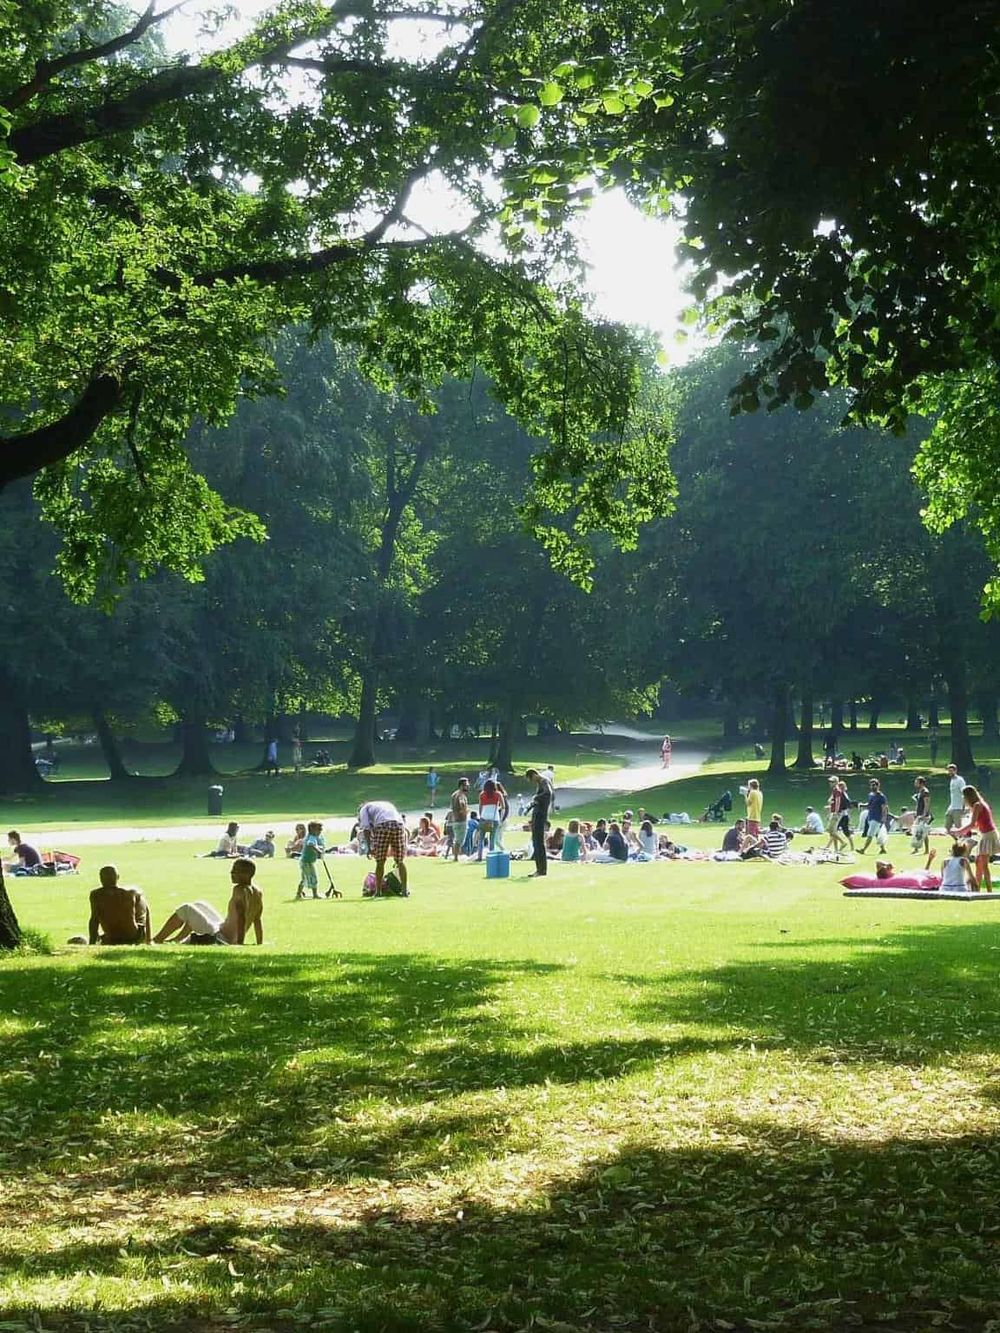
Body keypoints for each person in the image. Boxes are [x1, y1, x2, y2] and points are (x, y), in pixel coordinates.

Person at [155, 859, 264, 945]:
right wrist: (260, 942)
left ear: (247, 874)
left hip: (221, 937)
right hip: (222, 928)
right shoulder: (258, 892)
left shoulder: (239, 890)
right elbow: (257, 920)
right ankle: (177, 940)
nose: (231, 873)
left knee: (186, 909)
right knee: (200, 904)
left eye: (235, 871)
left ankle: (156, 939)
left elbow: (241, 917)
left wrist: (239, 943)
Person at [88, 865, 151, 945]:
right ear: (117, 877)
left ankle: (148, 940)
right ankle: (148, 940)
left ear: (101, 878)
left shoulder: (96, 894)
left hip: (111, 938)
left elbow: (94, 919)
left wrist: (92, 943)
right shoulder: (131, 893)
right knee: (144, 904)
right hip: (133, 937)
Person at [358, 799, 408, 896]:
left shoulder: (364, 809)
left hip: (383, 825)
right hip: (399, 824)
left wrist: (369, 847)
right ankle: (404, 891)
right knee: (399, 861)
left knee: (380, 861)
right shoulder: (384, 804)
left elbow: (366, 828)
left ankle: (378, 892)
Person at [955, 785, 999, 892]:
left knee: (984, 865)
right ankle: (976, 888)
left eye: (964, 796)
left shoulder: (977, 805)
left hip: (988, 835)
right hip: (987, 834)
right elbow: (977, 824)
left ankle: (989, 890)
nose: (963, 798)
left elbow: (971, 824)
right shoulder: (979, 804)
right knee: (979, 862)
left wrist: (958, 831)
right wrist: (963, 830)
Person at [524, 767, 554, 877]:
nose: (532, 782)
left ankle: (541, 870)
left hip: (541, 815)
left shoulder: (544, 781)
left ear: (534, 775)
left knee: (538, 843)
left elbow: (548, 793)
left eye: (531, 779)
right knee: (536, 842)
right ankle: (539, 869)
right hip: (537, 814)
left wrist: (536, 797)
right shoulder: (541, 783)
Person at [476, 776, 508, 860]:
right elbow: (503, 807)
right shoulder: (498, 794)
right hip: (494, 818)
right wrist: (500, 818)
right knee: (492, 839)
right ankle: (491, 856)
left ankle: (479, 856)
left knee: (481, 839)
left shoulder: (482, 794)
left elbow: (480, 807)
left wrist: (481, 817)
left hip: (484, 817)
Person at [296, 821, 325, 899]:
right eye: (318, 829)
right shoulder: (311, 837)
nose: (320, 831)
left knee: (305, 878)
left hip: (307, 861)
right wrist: (318, 851)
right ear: (312, 830)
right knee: (313, 877)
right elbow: (310, 844)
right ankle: (315, 894)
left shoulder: (312, 836)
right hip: (307, 861)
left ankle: (299, 893)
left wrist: (320, 848)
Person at [858, 779, 889, 853]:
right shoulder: (871, 795)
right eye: (871, 785)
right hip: (870, 816)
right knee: (877, 834)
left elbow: (884, 808)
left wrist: (884, 818)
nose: (872, 787)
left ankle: (863, 849)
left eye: (874, 785)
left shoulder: (881, 796)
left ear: (878, 786)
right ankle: (883, 849)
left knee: (870, 834)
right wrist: (862, 805)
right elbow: (869, 805)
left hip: (877, 818)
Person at [449, 777, 470, 862]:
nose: (468, 787)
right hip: (461, 820)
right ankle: (456, 857)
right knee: (460, 840)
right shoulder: (461, 795)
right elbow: (462, 804)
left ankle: (455, 856)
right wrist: (466, 811)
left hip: (455, 820)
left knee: (457, 839)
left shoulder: (454, 794)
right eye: (466, 785)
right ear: (461, 786)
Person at [911, 776, 933, 856]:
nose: (915, 784)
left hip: (924, 815)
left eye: (917, 782)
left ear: (922, 783)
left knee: (923, 832)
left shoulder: (925, 792)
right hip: (919, 814)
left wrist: (924, 814)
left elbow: (927, 804)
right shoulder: (920, 792)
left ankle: (926, 850)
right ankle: (916, 849)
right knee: (918, 831)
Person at [945, 764, 967, 832]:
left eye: (951, 771)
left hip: (958, 807)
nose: (950, 772)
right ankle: (958, 841)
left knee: (958, 828)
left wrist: (964, 807)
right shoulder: (952, 780)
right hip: (952, 806)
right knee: (947, 827)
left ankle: (963, 841)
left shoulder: (960, 780)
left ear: (955, 771)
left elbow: (964, 794)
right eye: (949, 771)